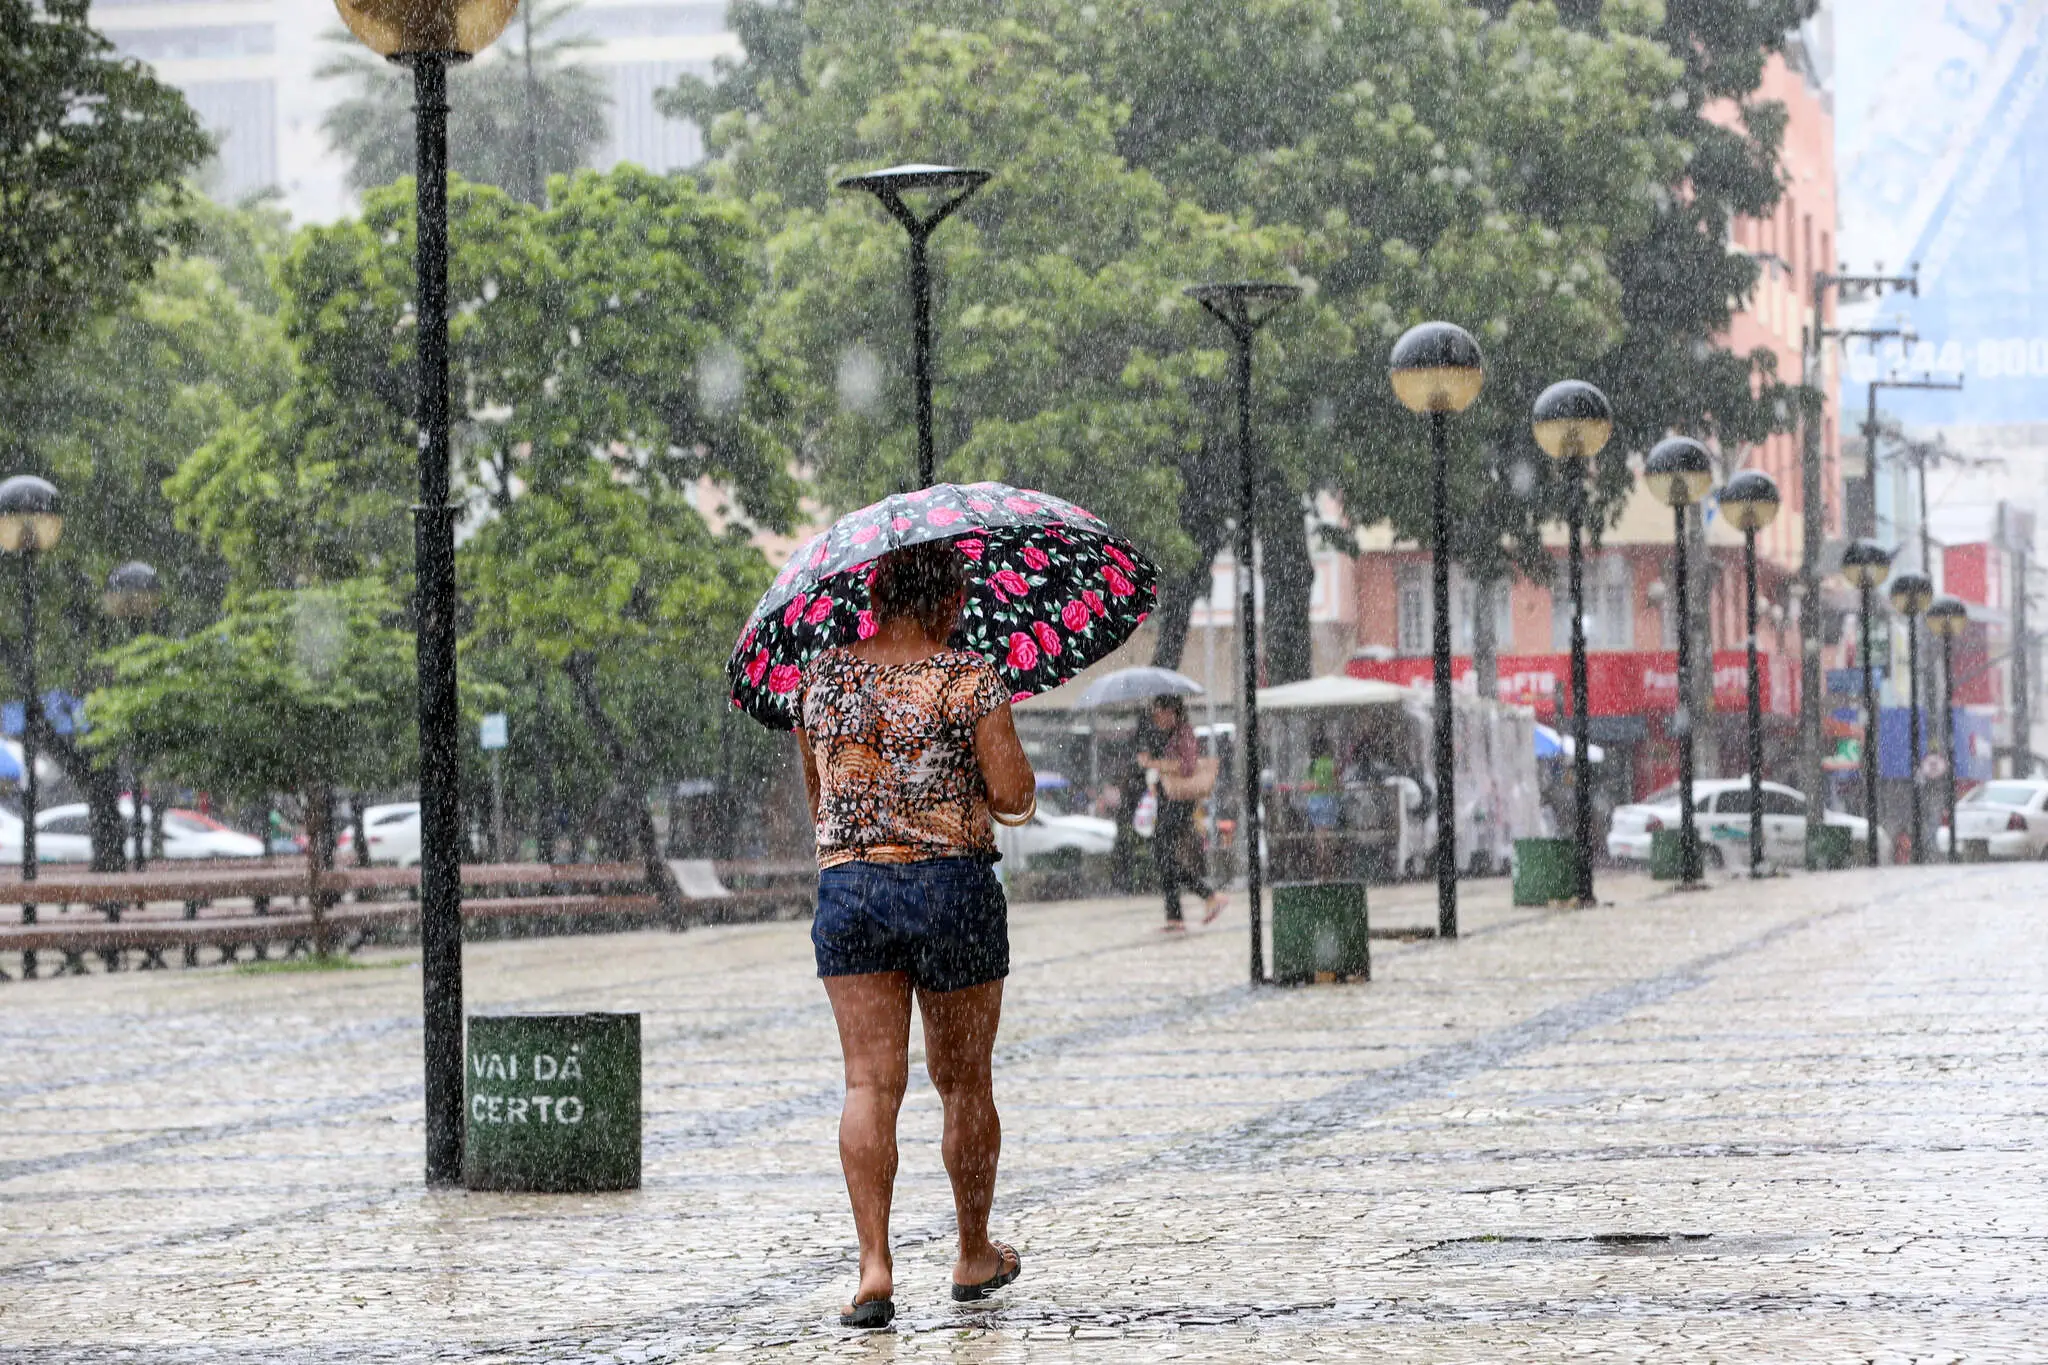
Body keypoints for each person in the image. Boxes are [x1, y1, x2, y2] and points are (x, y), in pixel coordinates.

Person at [794, 540, 1035, 1330]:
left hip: (852, 888)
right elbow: (1012, 794)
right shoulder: (968, 677)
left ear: (877, 596)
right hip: (950, 887)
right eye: (960, 597)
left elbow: (822, 796)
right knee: (963, 1083)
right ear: (945, 600)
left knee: (870, 1085)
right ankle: (971, 1251)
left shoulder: (822, 681)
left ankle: (873, 1266)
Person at [1137, 694, 1226, 930]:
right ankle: (1174, 915)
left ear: (1173, 712)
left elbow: (1187, 767)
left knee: (1162, 853)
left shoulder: (1184, 732)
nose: (1157, 717)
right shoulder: (1164, 735)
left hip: (1180, 801)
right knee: (1162, 855)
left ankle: (1209, 896)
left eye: (1161, 712)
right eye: (1155, 713)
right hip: (1168, 800)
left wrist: (1154, 764)